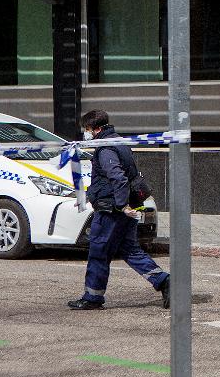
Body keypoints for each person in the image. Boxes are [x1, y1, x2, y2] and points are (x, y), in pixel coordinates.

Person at [67, 110, 171, 311]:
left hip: (111, 211)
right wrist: (90, 196)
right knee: (130, 250)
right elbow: (107, 179)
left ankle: (92, 297)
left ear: (96, 129)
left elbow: (118, 178)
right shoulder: (118, 141)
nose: (86, 134)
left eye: (87, 130)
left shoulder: (105, 148)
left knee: (98, 251)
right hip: (121, 208)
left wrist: (122, 206)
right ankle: (164, 281)